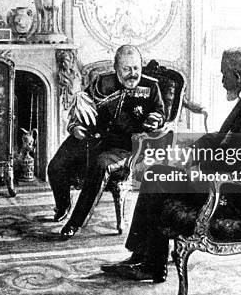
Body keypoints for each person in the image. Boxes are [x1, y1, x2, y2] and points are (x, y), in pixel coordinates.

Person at [101, 46, 241, 282]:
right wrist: (188, 156)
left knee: (157, 177)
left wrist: (192, 168)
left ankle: (149, 263)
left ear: (237, 77)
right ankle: (144, 259)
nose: (221, 80)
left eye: (223, 74)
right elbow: (221, 139)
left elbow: (239, 159)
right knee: (157, 174)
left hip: (238, 195)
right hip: (232, 184)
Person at [47, 45, 166, 239]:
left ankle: (75, 223)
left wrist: (155, 118)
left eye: (136, 68)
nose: (132, 74)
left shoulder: (151, 86)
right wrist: (75, 127)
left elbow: (161, 113)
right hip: (93, 138)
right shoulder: (102, 82)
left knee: (100, 165)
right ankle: (62, 205)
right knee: (55, 166)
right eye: (127, 69)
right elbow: (82, 105)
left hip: (126, 146)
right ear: (116, 67)